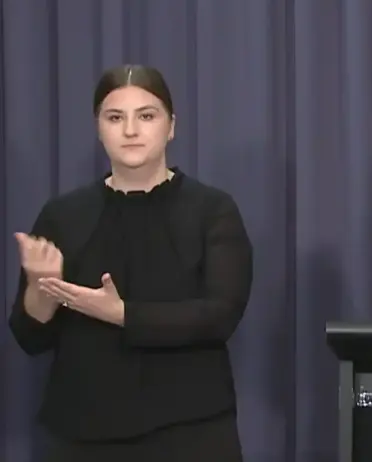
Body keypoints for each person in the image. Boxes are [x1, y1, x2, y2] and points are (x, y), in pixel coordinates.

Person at [6, 64, 253, 462]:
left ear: (171, 126)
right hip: (80, 435)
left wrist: (122, 314)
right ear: (99, 127)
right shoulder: (63, 215)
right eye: (115, 117)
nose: (130, 130)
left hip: (191, 430)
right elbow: (29, 338)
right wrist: (41, 288)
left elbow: (220, 316)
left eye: (147, 116)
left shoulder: (212, 210)